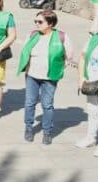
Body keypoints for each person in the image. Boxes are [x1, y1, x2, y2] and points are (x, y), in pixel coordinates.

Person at [18, 10, 73, 145]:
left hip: (50, 77)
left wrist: (60, 67)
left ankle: (47, 132)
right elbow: (25, 51)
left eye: (40, 22)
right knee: (29, 103)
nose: (37, 24)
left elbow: (69, 56)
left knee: (47, 105)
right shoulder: (32, 35)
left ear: (50, 23)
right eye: (35, 21)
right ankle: (28, 128)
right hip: (32, 76)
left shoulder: (61, 36)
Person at [77, 15, 98, 157]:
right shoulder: (93, 40)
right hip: (91, 84)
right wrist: (81, 78)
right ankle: (91, 138)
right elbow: (83, 58)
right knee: (92, 111)